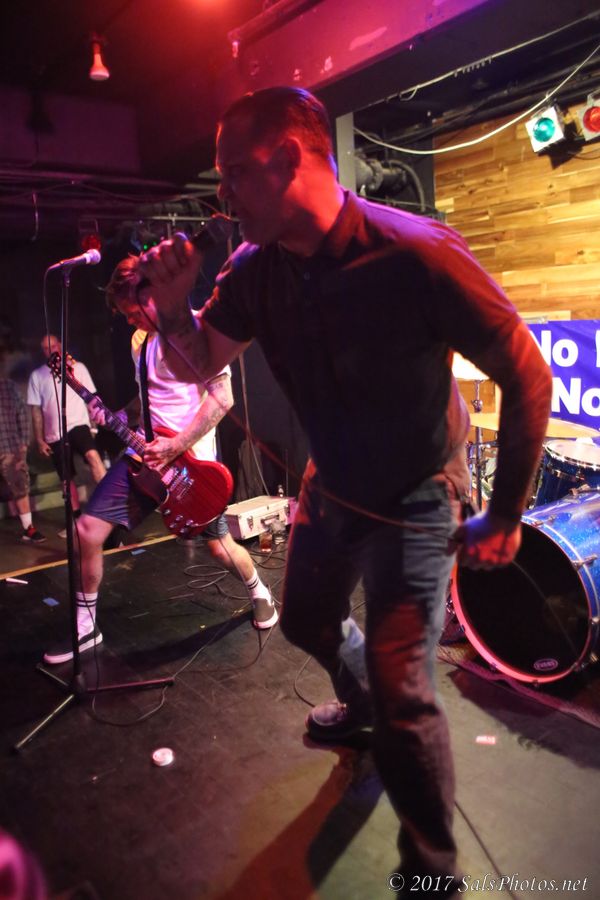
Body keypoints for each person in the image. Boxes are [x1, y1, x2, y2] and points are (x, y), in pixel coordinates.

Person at [134, 87, 552, 893]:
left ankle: (431, 871)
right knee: (305, 620)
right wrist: (174, 309)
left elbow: (528, 374)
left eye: (233, 174)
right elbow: (201, 361)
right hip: (333, 484)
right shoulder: (255, 270)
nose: (222, 198)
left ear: (290, 159)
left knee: (405, 686)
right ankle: (362, 712)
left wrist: (506, 514)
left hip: (420, 496)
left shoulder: (416, 253)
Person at [42, 257, 277, 666]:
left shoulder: (196, 332)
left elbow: (223, 399)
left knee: (219, 548)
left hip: (191, 469)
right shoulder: (140, 341)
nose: (130, 319)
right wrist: (115, 413)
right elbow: (146, 401)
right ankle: (85, 628)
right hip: (144, 459)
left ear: (155, 294)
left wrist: (175, 445)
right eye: (126, 313)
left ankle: (260, 591)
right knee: (86, 531)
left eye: (135, 310)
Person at [27, 335, 106, 529]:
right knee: (66, 477)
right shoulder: (37, 376)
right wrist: (40, 439)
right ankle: (76, 519)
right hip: (55, 432)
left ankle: (109, 504)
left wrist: (94, 425)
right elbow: (36, 410)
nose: (51, 350)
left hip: (79, 424)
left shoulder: (79, 368)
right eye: (46, 348)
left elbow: (91, 398)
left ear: (60, 345)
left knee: (93, 457)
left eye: (54, 345)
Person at [0, 360, 46, 544]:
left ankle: (29, 528)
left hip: (9, 446)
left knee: (20, 486)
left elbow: (22, 416)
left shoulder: (8, 387)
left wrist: (23, 445)